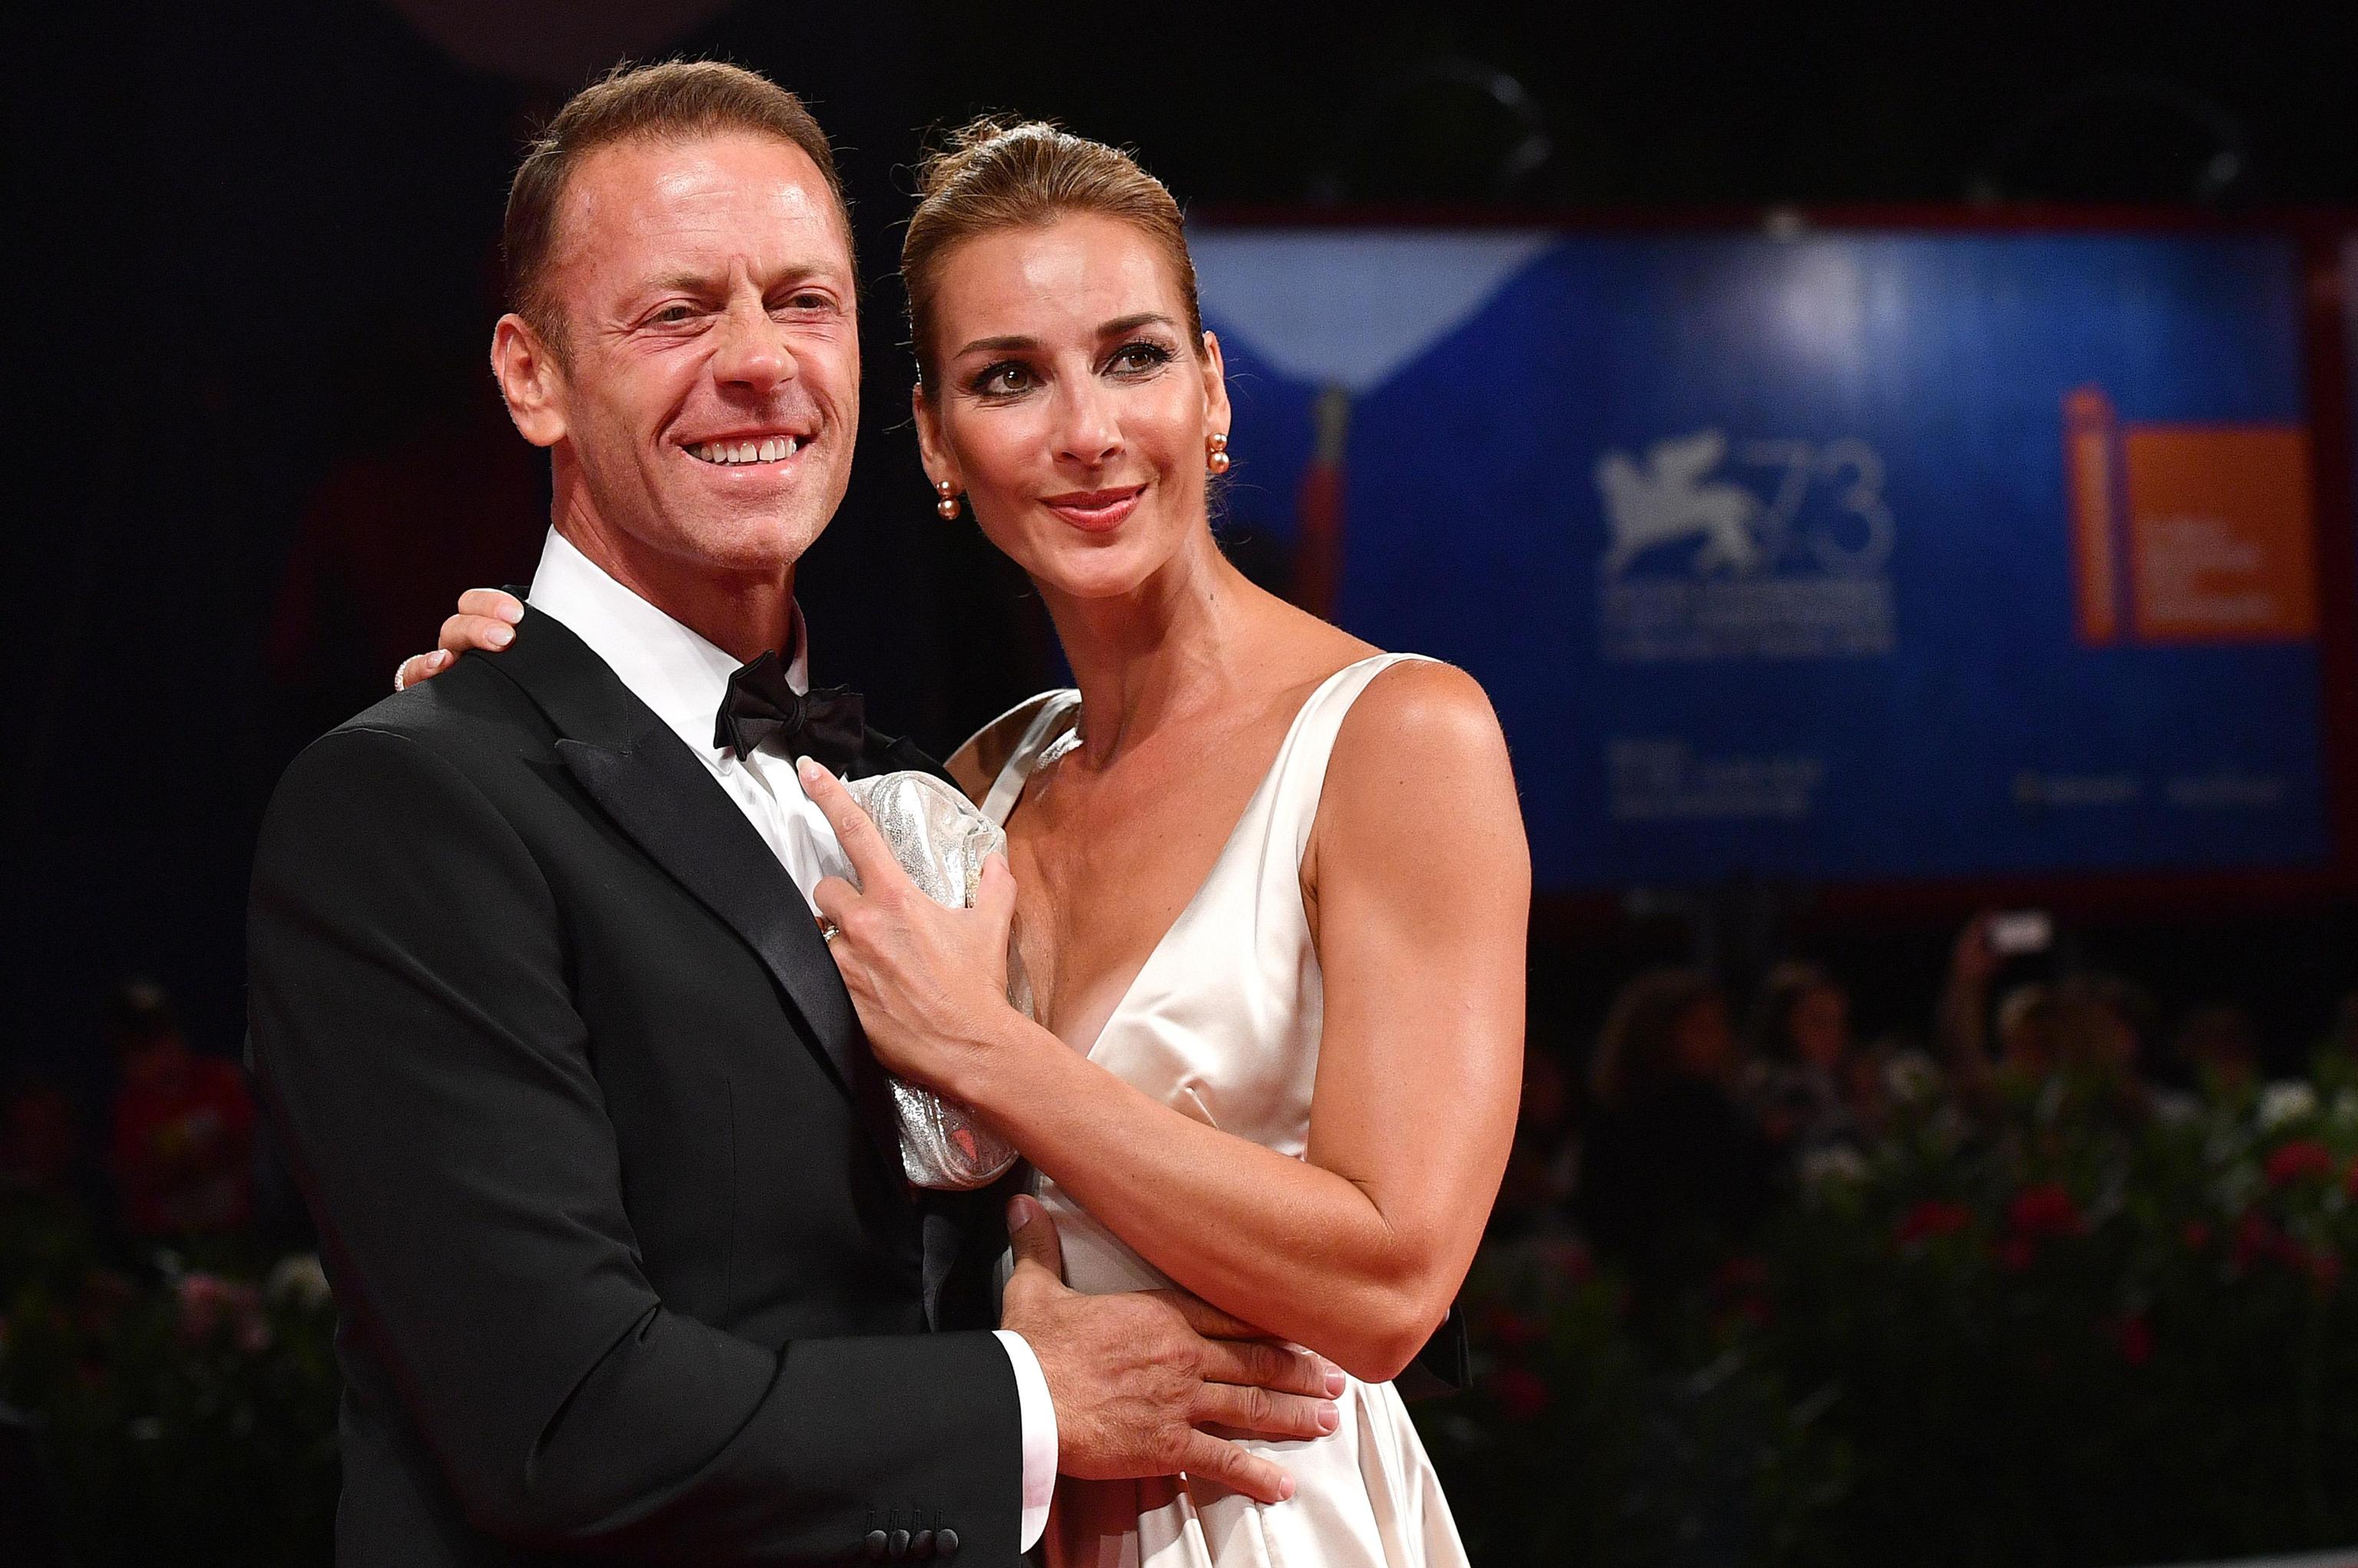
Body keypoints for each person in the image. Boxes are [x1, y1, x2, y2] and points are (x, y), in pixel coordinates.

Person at [251, 64, 1337, 1568]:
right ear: (532, 375)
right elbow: (557, 1419)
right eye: (676, 313)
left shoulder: (927, 798)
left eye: (803, 301)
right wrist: (1026, 1402)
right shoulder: (411, 800)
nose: (760, 362)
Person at [1574, 968, 1773, 1301]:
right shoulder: (1630, 1122)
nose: (1719, 1041)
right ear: (1655, 1037)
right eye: (1701, 1029)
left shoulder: (1722, 1110)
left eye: (1720, 1027)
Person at [106, 979, 256, 1239]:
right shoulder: (128, 1108)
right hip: (167, 1242)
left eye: (161, 1034)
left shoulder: (220, 1079)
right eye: (142, 1043)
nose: (157, 1050)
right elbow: (133, 1178)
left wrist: (204, 1160)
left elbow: (250, 1145)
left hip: (238, 1234)